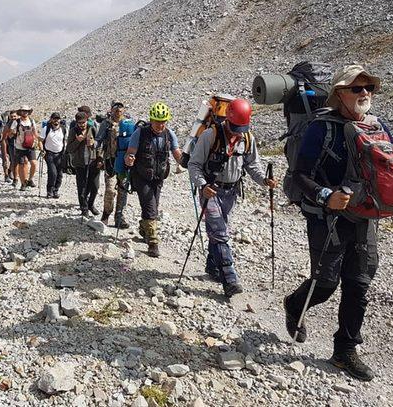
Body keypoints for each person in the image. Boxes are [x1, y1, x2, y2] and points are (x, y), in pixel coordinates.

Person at [283, 65, 393, 381]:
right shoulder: (321, 128)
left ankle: (345, 350)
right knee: (325, 283)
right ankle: (295, 304)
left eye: (370, 88)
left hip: (365, 216)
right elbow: (300, 175)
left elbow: (388, 163)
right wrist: (327, 195)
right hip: (328, 216)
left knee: (359, 284)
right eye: (357, 88)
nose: (365, 93)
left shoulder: (379, 127)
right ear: (340, 93)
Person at [188, 98, 277, 297]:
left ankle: (213, 266)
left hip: (231, 193)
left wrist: (264, 180)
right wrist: (202, 186)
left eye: (242, 127)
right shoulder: (210, 136)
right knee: (220, 231)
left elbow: (252, 165)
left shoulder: (247, 138)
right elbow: (194, 165)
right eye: (235, 127)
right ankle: (229, 279)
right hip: (211, 190)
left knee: (218, 230)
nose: (238, 131)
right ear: (227, 119)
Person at [124, 102, 182, 257]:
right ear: (151, 119)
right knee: (151, 208)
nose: (160, 125)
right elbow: (130, 152)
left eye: (163, 121)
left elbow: (177, 153)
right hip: (141, 176)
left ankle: (144, 229)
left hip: (158, 177)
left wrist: (187, 162)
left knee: (153, 205)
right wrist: (129, 158)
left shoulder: (169, 134)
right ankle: (153, 243)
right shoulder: (140, 133)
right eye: (157, 121)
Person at [96, 101, 130, 228]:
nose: (118, 112)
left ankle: (119, 217)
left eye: (121, 110)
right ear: (111, 110)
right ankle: (106, 214)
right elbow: (99, 140)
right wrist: (99, 157)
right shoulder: (106, 124)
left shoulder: (127, 124)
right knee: (110, 190)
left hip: (124, 162)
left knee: (123, 190)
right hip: (110, 161)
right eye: (116, 109)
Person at [67, 111, 100, 217]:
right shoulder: (73, 131)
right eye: (79, 123)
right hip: (80, 163)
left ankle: (91, 204)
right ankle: (84, 208)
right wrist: (77, 141)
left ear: (87, 121)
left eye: (83, 122)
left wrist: (100, 159)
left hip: (93, 161)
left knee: (94, 186)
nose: (82, 125)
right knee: (82, 188)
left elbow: (100, 144)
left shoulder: (93, 128)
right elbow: (69, 149)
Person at [7, 106, 38, 190]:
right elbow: (10, 134)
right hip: (19, 147)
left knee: (34, 164)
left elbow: (35, 133)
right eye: (23, 111)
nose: (25, 112)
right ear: (20, 112)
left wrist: (37, 142)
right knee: (22, 165)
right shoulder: (16, 122)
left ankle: (30, 179)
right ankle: (23, 183)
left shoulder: (32, 121)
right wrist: (13, 132)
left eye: (26, 111)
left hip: (31, 146)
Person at [40, 112, 67, 198]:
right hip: (49, 154)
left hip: (60, 154)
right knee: (53, 173)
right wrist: (41, 150)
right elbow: (40, 140)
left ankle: (55, 190)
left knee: (59, 174)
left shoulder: (63, 129)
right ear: (51, 119)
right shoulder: (46, 128)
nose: (56, 120)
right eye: (54, 118)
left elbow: (65, 140)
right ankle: (49, 191)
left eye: (58, 118)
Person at [1, 110, 19, 185]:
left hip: (14, 144)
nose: (13, 118)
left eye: (15, 116)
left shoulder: (18, 124)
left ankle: (9, 172)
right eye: (11, 116)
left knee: (13, 161)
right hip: (6, 143)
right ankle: (6, 175)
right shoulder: (6, 125)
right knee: (6, 159)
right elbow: (3, 137)